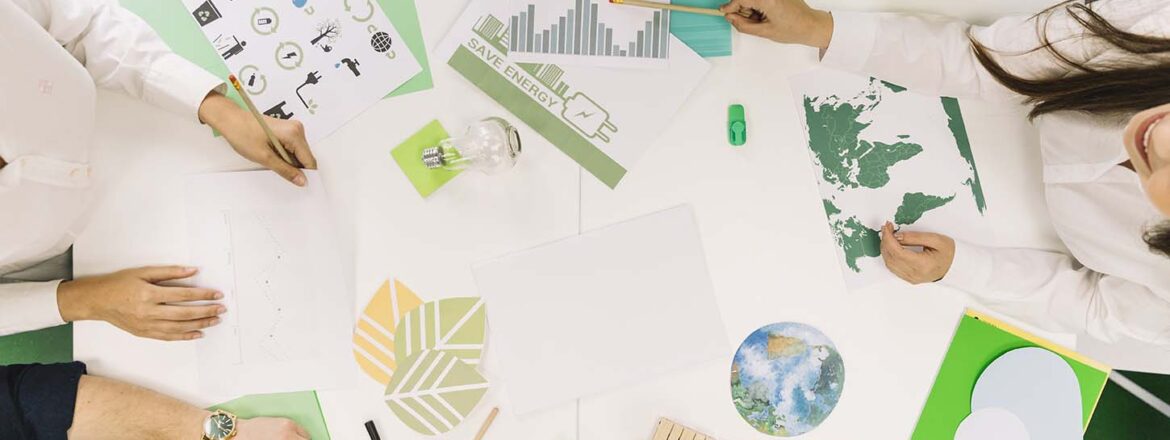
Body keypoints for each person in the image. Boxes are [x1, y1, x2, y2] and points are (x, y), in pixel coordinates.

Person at [720, 0, 1170, 347]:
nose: (1160, 138)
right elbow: (983, 62)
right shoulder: (1152, 29)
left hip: (992, 237)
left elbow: (1096, 308)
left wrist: (962, 268)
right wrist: (819, 28)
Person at [2, 0, 317, 437]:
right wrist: (84, 300)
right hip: (43, 264)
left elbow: (83, 24)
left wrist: (219, 111)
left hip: (136, 141)